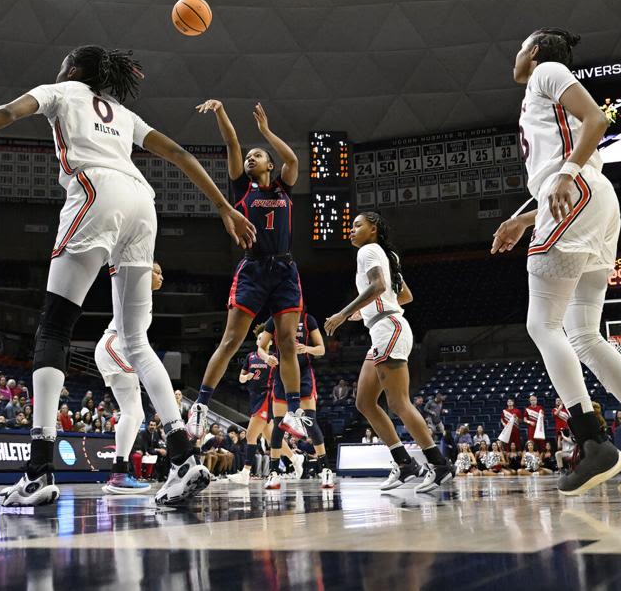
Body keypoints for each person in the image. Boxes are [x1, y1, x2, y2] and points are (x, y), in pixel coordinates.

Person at [0, 46, 255, 507]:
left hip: (95, 190)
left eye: (65, 62)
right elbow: (179, 153)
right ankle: (184, 460)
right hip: (142, 203)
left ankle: (39, 470)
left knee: (55, 327)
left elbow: (6, 112)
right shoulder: (122, 113)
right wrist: (223, 207)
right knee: (136, 341)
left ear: (74, 70)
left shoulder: (60, 91)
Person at [491, 28, 621, 498]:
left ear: (537, 50)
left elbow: (597, 119)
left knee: (543, 326)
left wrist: (563, 177)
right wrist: (526, 219)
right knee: (584, 335)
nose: (516, 53)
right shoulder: (540, 97)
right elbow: (575, 164)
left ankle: (592, 441)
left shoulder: (546, 70)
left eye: (520, 45)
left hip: (575, 193)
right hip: (592, 200)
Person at [187, 99, 310, 447]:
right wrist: (221, 111)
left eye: (259, 155)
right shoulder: (242, 188)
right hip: (253, 270)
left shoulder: (283, 186)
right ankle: (200, 405)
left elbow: (293, 160)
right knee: (231, 341)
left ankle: (294, 412)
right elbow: (231, 144)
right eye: (250, 155)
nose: (252, 158)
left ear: (270, 164)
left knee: (287, 342)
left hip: (285, 270)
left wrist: (266, 132)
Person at [324, 212, 451, 493]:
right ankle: (404, 463)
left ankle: (439, 464)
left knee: (398, 403)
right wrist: (365, 310)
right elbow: (403, 296)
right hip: (383, 328)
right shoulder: (387, 256)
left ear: (373, 229)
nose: (352, 230)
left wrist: (344, 314)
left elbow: (378, 286)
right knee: (365, 402)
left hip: (389, 329)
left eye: (358, 225)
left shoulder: (368, 251)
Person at [93, 261, 165, 495]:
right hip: (115, 344)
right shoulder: (138, 288)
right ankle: (119, 474)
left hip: (120, 347)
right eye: (157, 272)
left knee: (137, 414)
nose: (161, 277)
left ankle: (120, 472)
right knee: (131, 412)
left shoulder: (148, 299)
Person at [256, 311, 334, 489]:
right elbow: (260, 348)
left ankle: (326, 470)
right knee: (278, 425)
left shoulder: (308, 319)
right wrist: (267, 357)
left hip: (304, 373)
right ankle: (274, 472)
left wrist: (307, 348)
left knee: (310, 423)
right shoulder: (273, 319)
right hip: (281, 374)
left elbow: (321, 349)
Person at [228, 326, 276, 485]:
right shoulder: (250, 357)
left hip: (266, 397)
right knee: (272, 438)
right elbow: (241, 378)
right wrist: (246, 376)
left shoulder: (274, 357)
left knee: (250, 436)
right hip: (253, 398)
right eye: (259, 338)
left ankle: (245, 473)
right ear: (257, 341)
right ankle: (294, 458)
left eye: (265, 338)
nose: (262, 340)